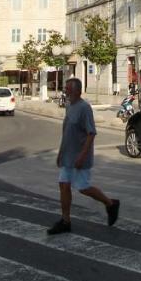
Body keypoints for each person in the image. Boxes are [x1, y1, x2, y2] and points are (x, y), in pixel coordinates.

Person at [50, 78, 119, 235]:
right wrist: (60, 152)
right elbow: (66, 131)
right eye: (65, 88)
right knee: (63, 185)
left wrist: (82, 155)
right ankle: (65, 220)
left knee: (83, 187)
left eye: (68, 88)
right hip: (67, 156)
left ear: (77, 91)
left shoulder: (84, 108)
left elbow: (91, 133)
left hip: (80, 157)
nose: (65, 91)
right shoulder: (69, 106)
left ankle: (110, 204)